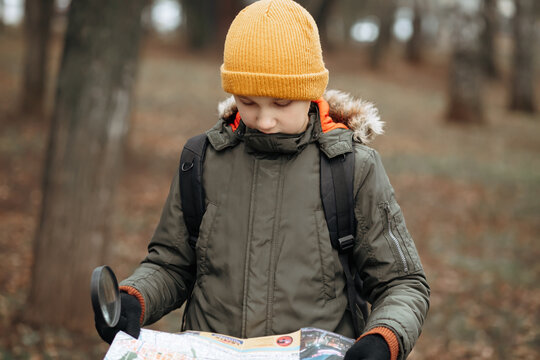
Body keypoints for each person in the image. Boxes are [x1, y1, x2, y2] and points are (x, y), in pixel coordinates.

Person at [94, 1, 430, 359]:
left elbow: (402, 283)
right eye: (248, 101)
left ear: (310, 91)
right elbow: (172, 264)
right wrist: (134, 299)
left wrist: (383, 339)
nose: (264, 119)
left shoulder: (352, 167)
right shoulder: (202, 159)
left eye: (282, 103)